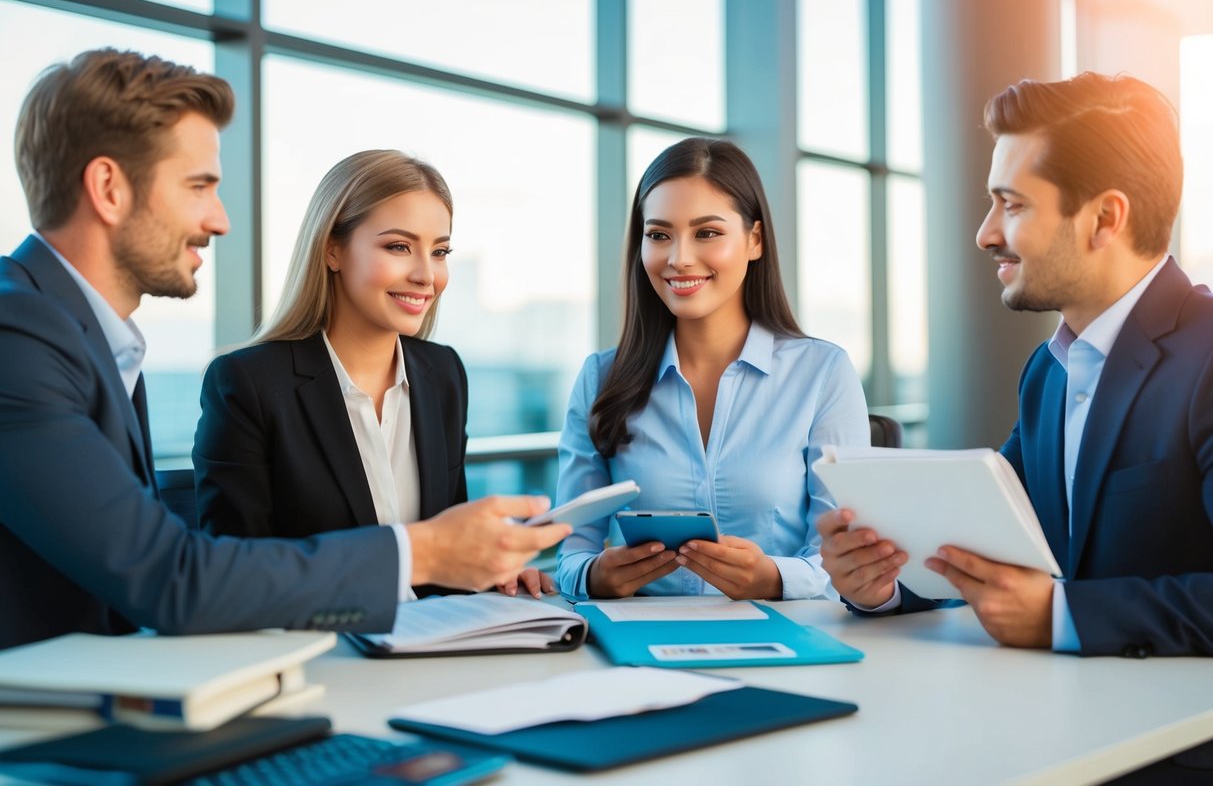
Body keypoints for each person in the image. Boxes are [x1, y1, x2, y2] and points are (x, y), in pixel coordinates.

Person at [0, 48, 569, 650]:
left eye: (440, 250)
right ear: (109, 188)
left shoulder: (91, 341)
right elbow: (171, 578)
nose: (219, 221)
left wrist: (478, 564)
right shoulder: (20, 337)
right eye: (198, 186)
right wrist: (425, 550)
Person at [818, 72, 1213, 663]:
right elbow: (986, 539)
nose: (986, 233)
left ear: (1106, 218)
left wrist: (1061, 614)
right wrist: (884, 581)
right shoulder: (1048, 371)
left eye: (1014, 204)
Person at [194, 149, 549, 597]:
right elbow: (233, 576)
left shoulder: (443, 374)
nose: (427, 275)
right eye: (399, 246)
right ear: (332, 249)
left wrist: (493, 572)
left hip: (439, 647)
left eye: (439, 251)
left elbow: (448, 554)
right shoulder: (247, 383)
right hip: (326, 652)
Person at [555, 138, 869, 601]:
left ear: (755, 240)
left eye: (707, 233)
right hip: (643, 644)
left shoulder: (822, 373)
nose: (679, 257)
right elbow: (570, 551)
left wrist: (775, 579)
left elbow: (847, 558)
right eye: (659, 235)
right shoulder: (601, 377)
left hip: (788, 636)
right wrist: (596, 576)